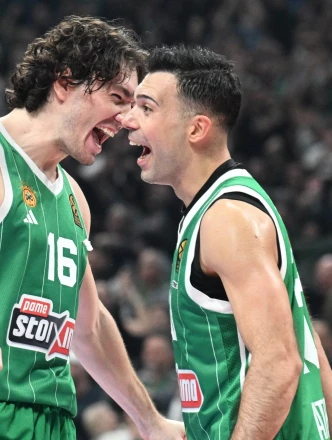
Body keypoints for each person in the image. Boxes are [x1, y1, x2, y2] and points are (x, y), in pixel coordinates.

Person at [0, 17, 185, 440]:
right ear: (65, 84)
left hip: (53, 420)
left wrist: (150, 421)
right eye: (117, 97)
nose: (125, 119)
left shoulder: (75, 199)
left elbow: (90, 327)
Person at [122, 44, 332, 439]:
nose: (127, 119)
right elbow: (307, 344)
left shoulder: (226, 219)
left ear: (196, 129)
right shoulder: (219, 208)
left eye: (146, 108)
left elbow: (279, 363)